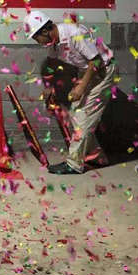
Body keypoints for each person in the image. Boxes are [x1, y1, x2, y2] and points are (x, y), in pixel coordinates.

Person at [24, 11, 117, 175]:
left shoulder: (75, 34)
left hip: (102, 70)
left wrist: (80, 87)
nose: (37, 42)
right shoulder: (53, 42)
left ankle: (74, 164)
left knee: (84, 117)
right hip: (88, 71)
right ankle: (97, 157)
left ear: (45, 31)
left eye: (36, 38)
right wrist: (50, 86)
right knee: (75, 113)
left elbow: (96, 61)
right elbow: (52, 62)